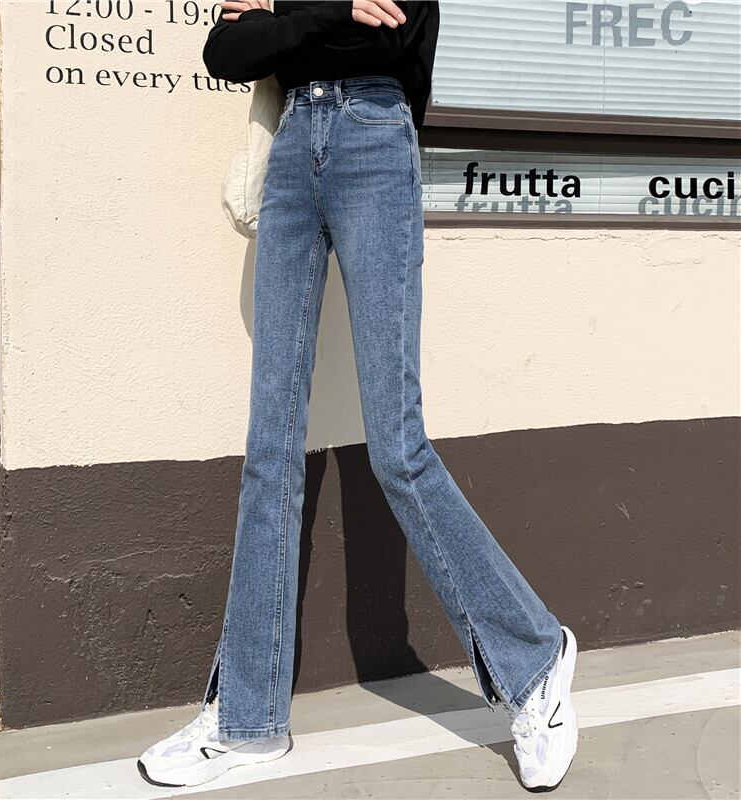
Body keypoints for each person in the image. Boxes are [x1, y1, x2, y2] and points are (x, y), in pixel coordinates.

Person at [138, 0, 578, 792]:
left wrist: (285, 20)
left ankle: (534, 662)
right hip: (290, 152)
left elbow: (395, 32)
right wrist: (329, 12)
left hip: (374, 139)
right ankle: (247, 722)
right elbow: (225, 51)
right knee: (269, 449)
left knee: (397, 448)